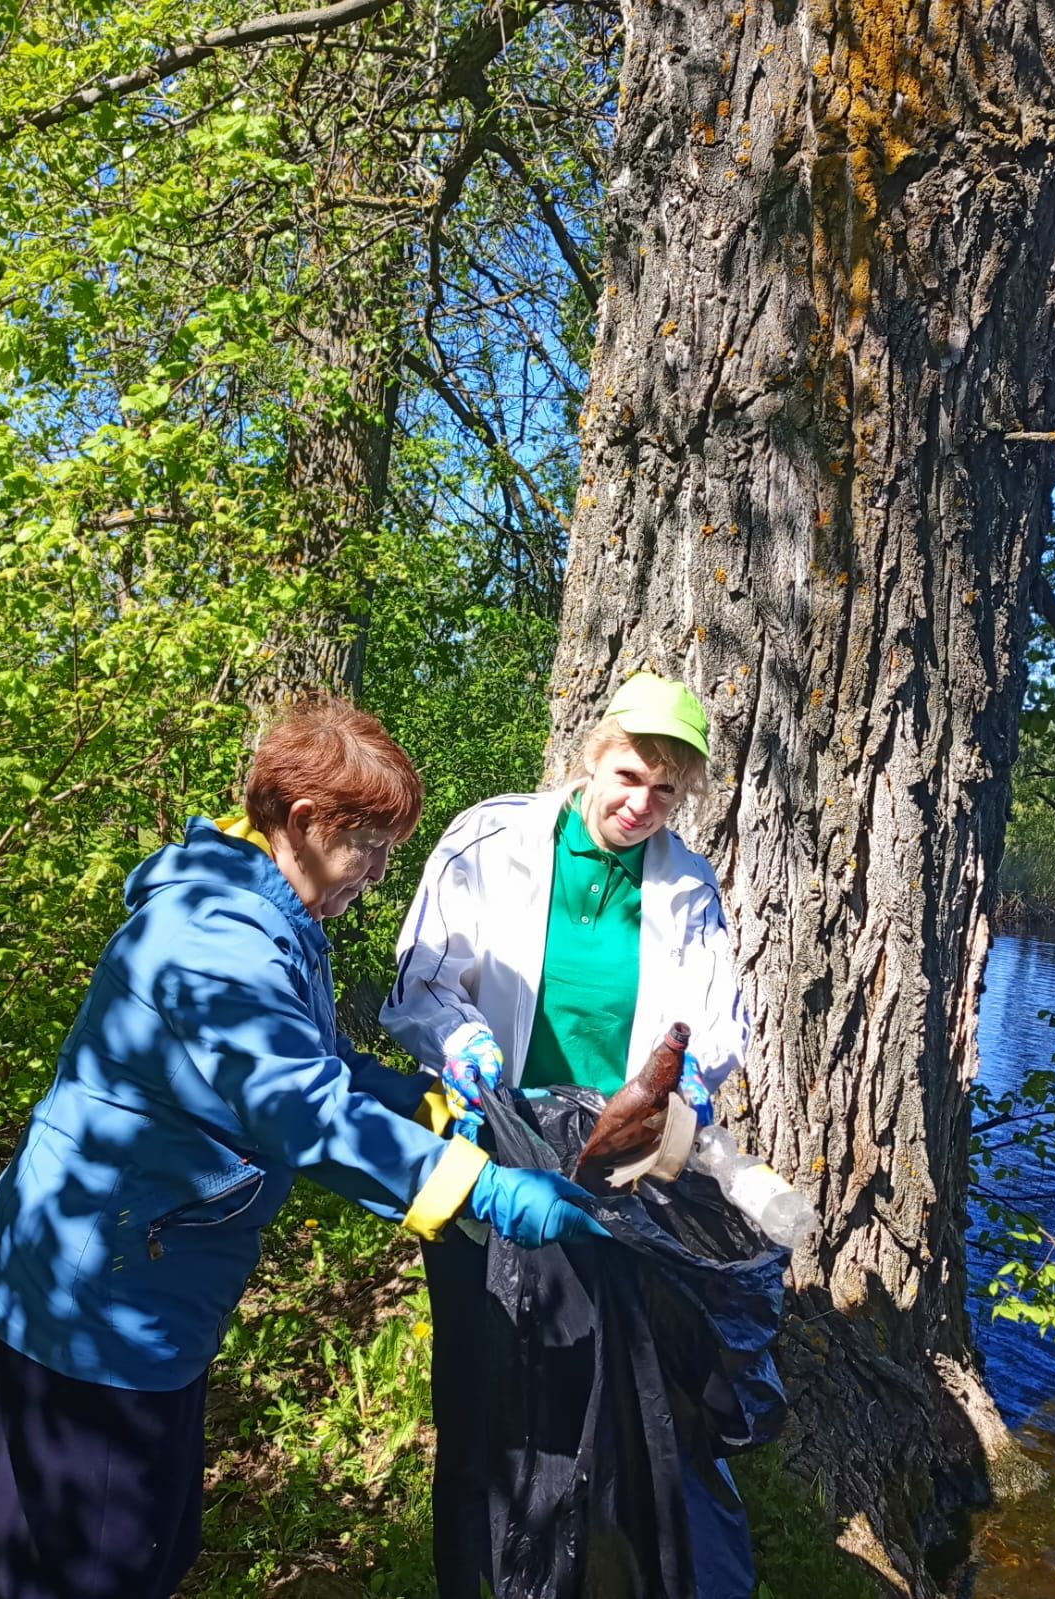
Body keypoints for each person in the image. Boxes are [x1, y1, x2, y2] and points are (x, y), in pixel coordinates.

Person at [0, 699, 605, 1599]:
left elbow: (309, 1059)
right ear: (302, 822)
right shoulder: (213, 937)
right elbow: (295, 1103)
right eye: (367, 846)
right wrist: (478, 1187)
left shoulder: (261, 914)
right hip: (94, 1305)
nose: (374, 875)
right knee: (86, 1570)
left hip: (148, 1288)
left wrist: (412, 1097)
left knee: (147, 1550)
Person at [382, 672, 756, 1598]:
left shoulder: (687, 884)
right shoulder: (488, 837)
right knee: (484, 1366)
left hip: (614, 1164)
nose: (640, 805)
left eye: (666, 790)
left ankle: (581, 1567)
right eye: (628, 774)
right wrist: (458, 1036)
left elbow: (717, 1029)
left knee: (595, 1374)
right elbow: (418, 980)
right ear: (593, 753)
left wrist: (691, 1092)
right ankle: (477, 1568)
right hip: (491, 1141)